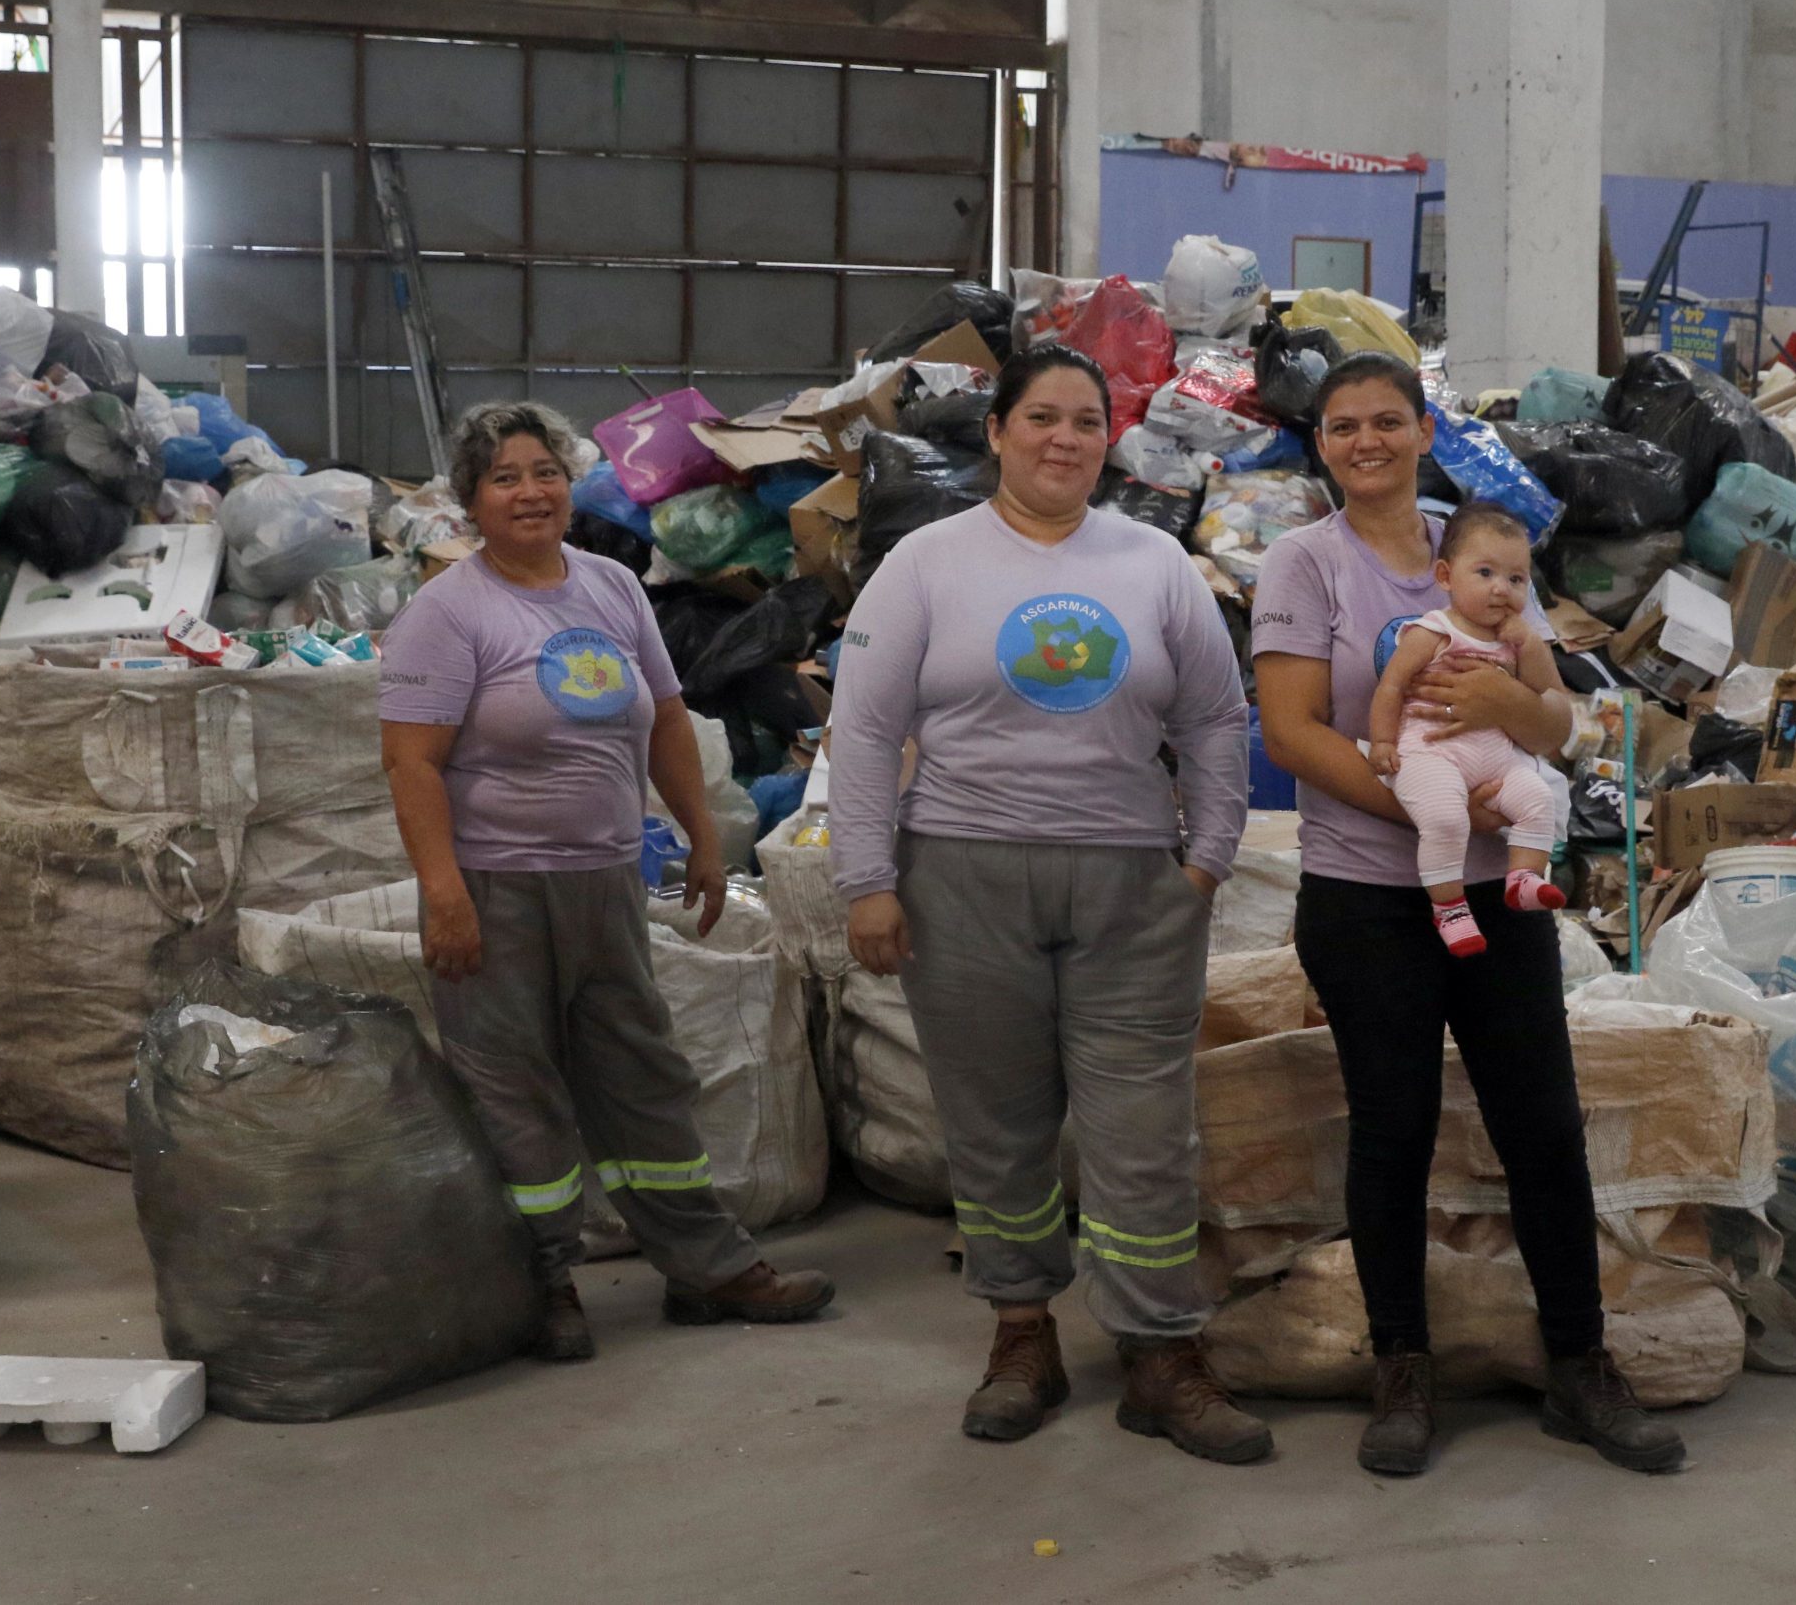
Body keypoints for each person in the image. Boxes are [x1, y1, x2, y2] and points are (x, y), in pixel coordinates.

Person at [827, 343, 1267, 1465]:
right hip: (962, 880)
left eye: (1085, 421)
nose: (1063, 439)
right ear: (997, 432)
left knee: (1144, 1131)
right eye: (1041, 417)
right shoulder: (925, 564)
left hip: (1133, 888)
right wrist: (867, 880)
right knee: (995, 1127)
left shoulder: (1156, 564)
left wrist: (1207, 859)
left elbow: (1216, 719)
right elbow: (865, 730)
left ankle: (1160, 1351)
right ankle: (1022, 1333)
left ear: (1106, 442)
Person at [1250, 352, 1685, 1478]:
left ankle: (1579, 1362)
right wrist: (1423, 806)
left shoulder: (1479, 546)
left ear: (1424, 431)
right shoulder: (1305, 562)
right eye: (1343, 426)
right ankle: (1402, 1364)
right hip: (1363, 897)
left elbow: (1559, 722)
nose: (1366, 442)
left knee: (1541, 1124)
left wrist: (1506, 706)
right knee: (1391, 1129)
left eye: (1387, 421)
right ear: (1321, 443)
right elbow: (1292, 731)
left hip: (1499, 893)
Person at [379, 399, 834, 1363]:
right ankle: (541, 1280)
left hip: (606, 878)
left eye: (545, 471)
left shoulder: (612, 587)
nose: (531, 492)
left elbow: (665, 717)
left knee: (642, 1074)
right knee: (515, 1088)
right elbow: (412, 763)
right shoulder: (447, 612)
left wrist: (702, 836)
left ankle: (706, 1266)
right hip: (496, 886)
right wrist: (444, 890)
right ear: (471, 500)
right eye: (505, 478)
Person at [1365, 500, 1568, 953]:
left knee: (1539, 799)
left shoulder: (1515, 639)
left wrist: (1530, 645)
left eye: (1516, 579)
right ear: (1445, 576)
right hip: (1430, 752)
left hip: (1496, 761)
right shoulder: (1433, 631)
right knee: (1445, 817)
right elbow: (1391, 687)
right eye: (1485, 573)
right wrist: (1381, 741)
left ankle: (1523, 878)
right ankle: (1450, 908)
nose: (1501, 589)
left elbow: (1547, 693)